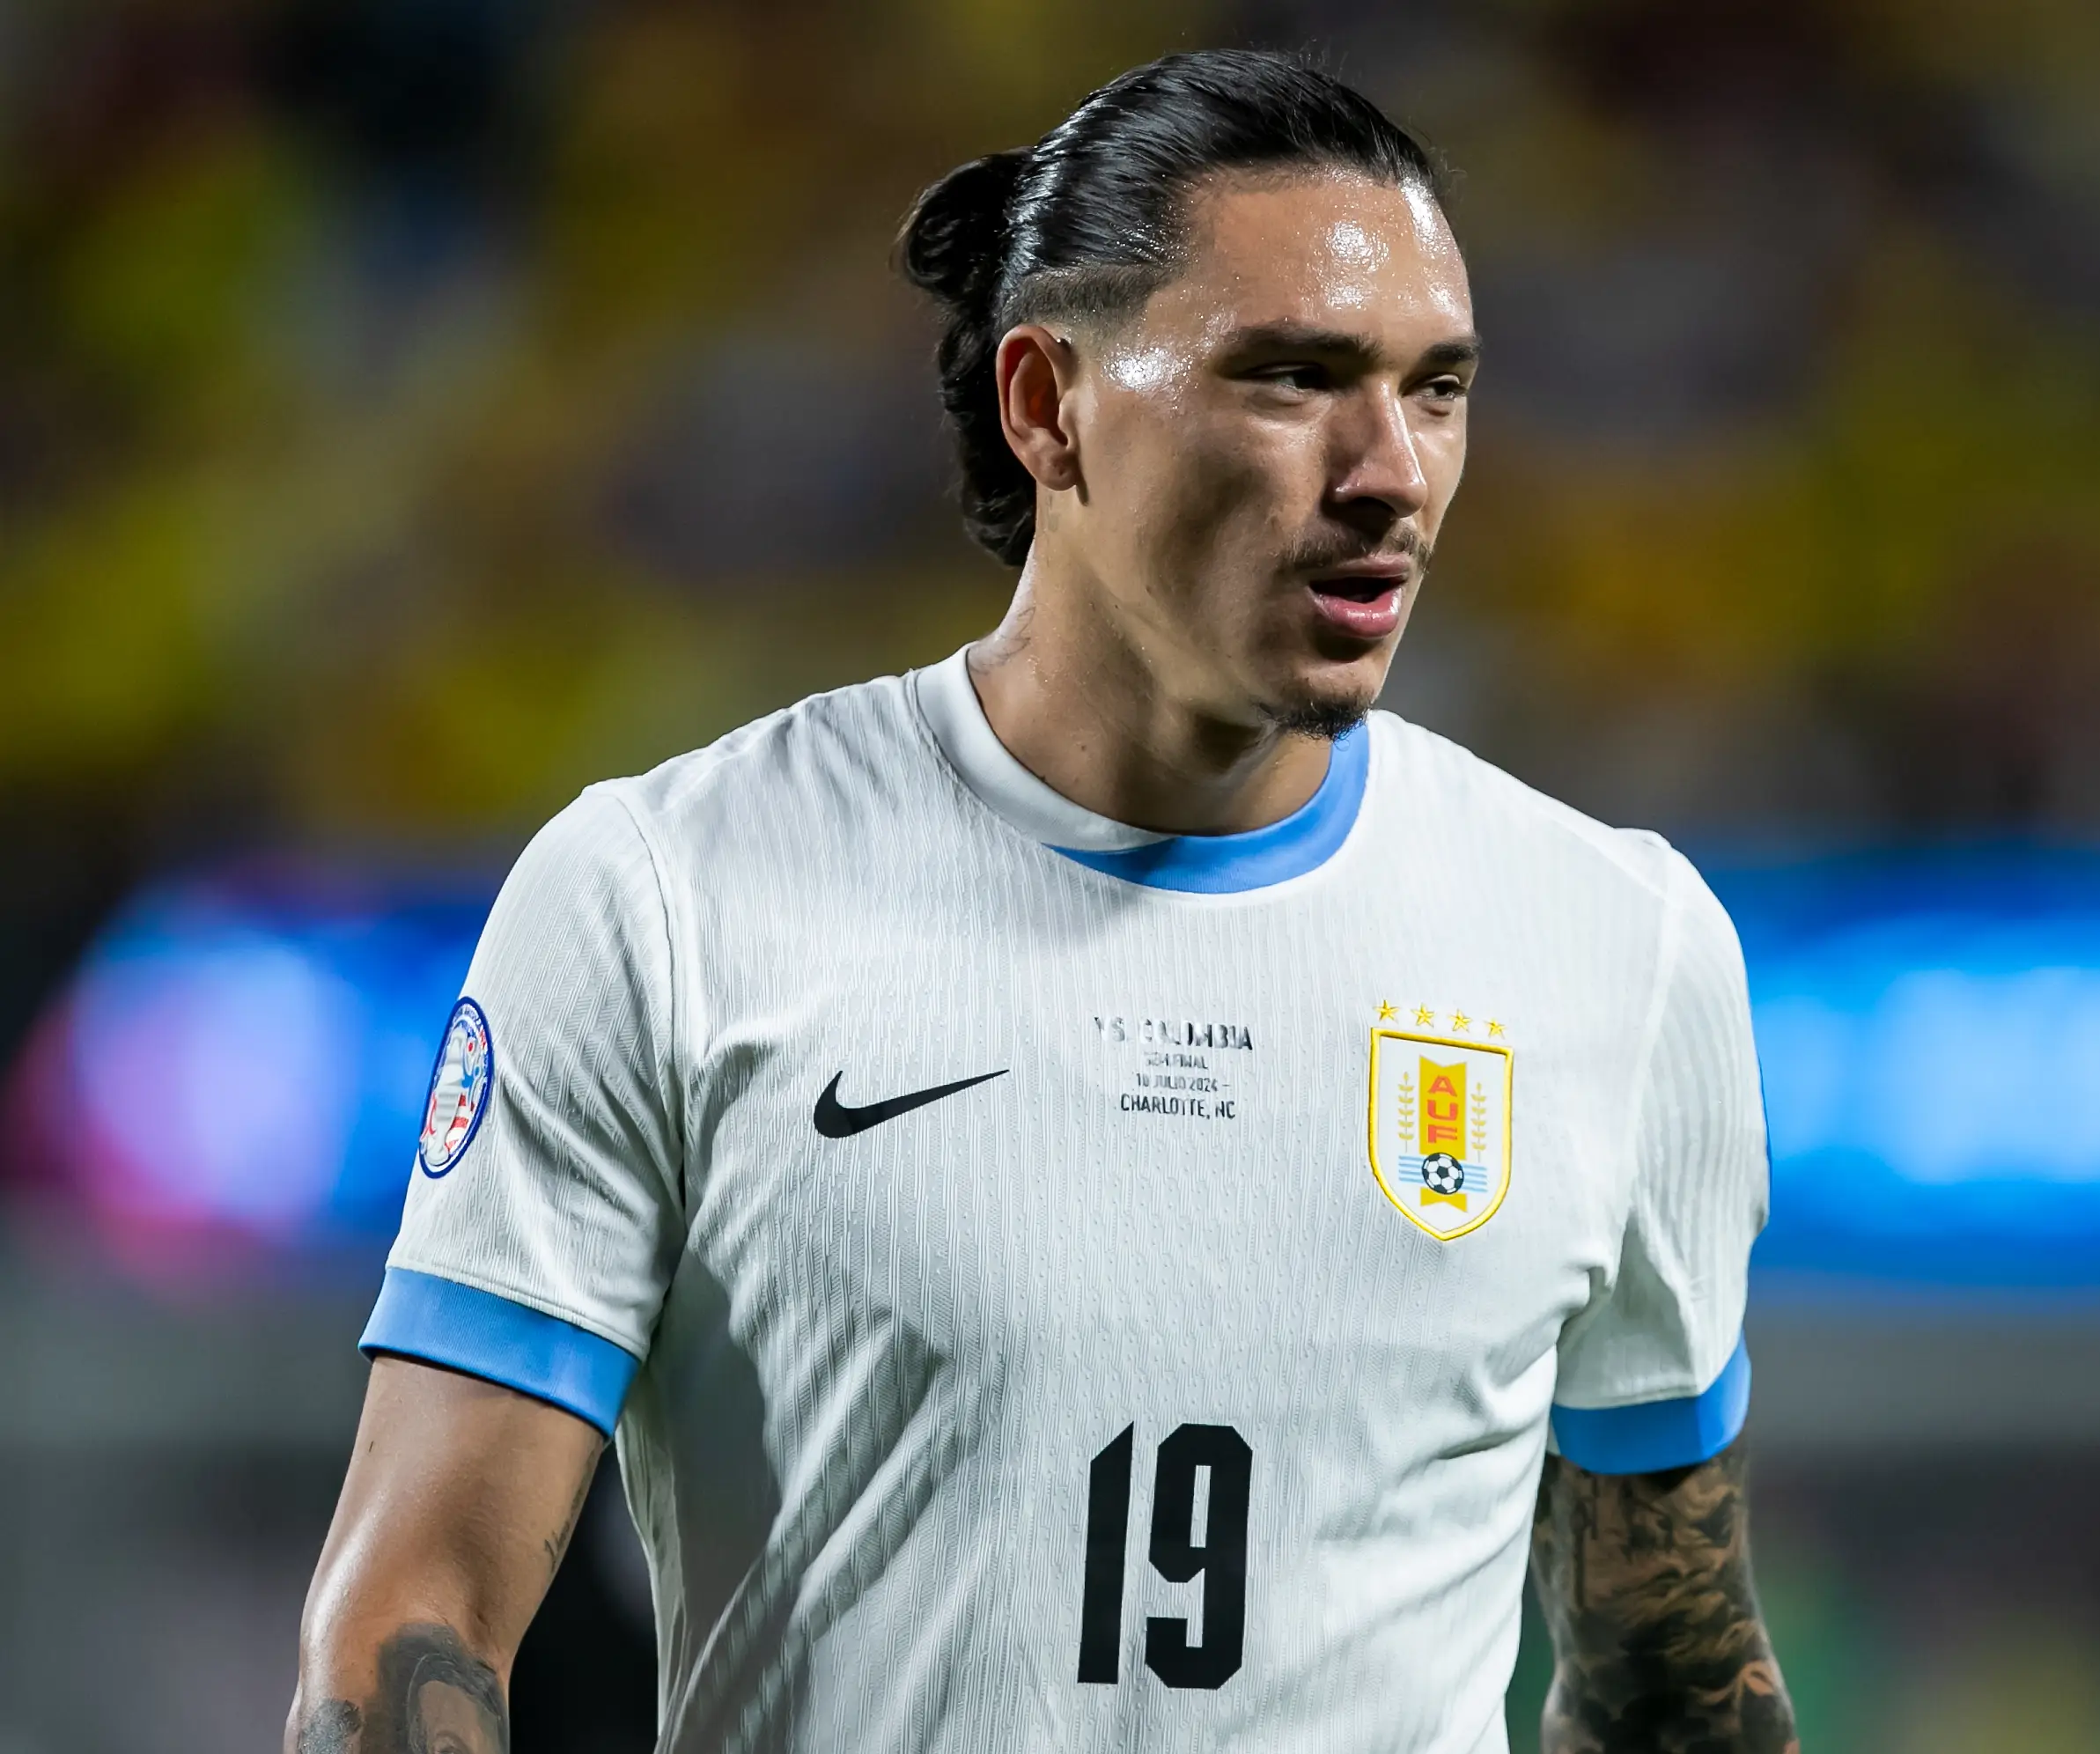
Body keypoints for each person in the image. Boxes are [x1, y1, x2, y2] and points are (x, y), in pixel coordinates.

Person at [286, 48, 1794, 1754]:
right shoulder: (667, 901)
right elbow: (412, 1625)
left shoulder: (1619, 950)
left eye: (1436, 389)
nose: (1391, 472)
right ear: (1046, 403)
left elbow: (1676, 1682)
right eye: (1295, 378)